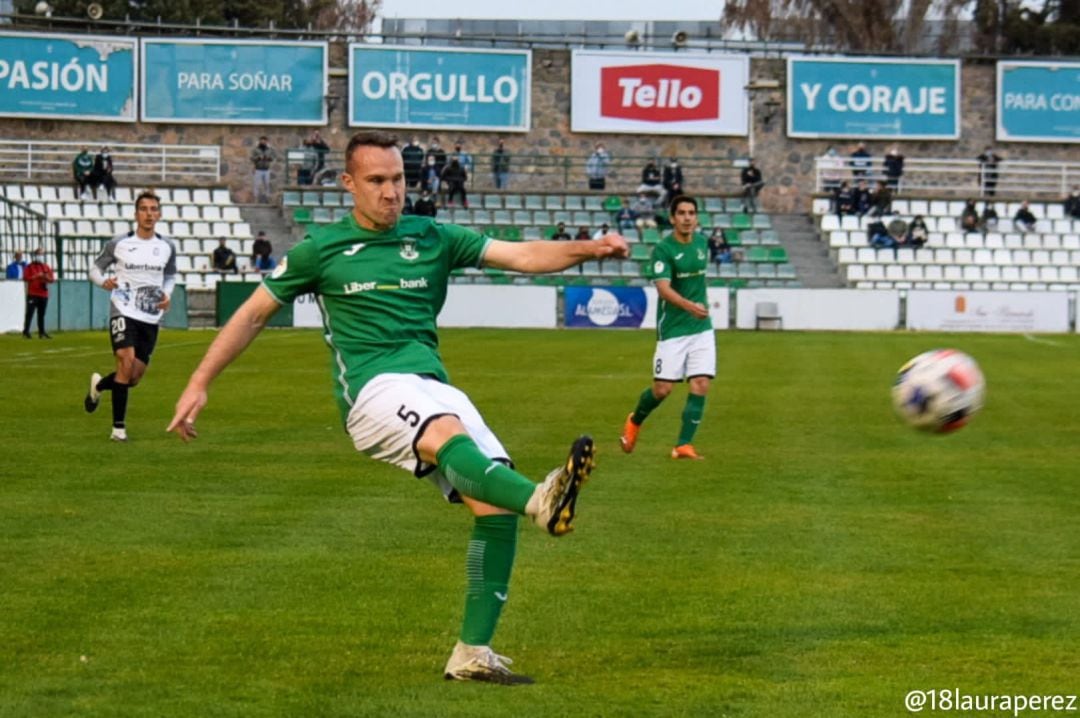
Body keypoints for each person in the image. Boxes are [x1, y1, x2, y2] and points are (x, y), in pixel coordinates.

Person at [166, 130, 629, 685]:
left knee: (491, 502)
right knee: (450, 432)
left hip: (431, 382)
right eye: (377, 181)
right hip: (371, 391)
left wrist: (591, 248)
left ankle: (471, 652)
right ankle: (542, 498)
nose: (392, 193)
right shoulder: (321, 250)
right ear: (348, 185)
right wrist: (199, 381)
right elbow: (253, 314)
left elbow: (523, 254)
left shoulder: (432, 235)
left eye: (399, 179)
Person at [620, 195, 712, 461]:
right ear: (672, 218)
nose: (687, 218)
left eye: (691, 213)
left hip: (702, 327)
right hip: (673, 329)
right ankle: (635, 420)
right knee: (663, 390)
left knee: (701, 382)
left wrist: (699, 309)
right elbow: (663, 288)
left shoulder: (702, 244)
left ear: (696, 217)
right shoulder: (663, 249)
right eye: (681, 213)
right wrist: (688, 306)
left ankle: (683, 445)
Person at [84, 191, 177, 443]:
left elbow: (169, 276)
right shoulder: (119, 243)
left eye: (153, 209)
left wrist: (167, 295)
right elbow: (95, 267)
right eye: (144, 209)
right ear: (136, 214)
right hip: (123, 309)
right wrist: (104, 282)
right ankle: (118, 429)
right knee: (125, 362)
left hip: (150, 316)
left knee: (133, 377)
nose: (149, 213)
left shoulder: (167, 246)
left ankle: (100, 386)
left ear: (159, 214)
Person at [22, 248, 54, 339]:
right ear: (35, 256)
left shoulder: (46, 267)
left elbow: (52, 280)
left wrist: (46, 277)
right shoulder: (29, 267)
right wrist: (36, 276)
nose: (40, 257)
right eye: (38, 255)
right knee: (30, 313)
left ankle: (42, 332)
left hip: (43, 294)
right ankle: (26, 331)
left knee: (41, 314)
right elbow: (25, 278)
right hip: (33, 293)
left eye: (41, 255)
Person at [251, 136, 276, 204]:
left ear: (266, 141)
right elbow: (252, 158)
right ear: (260, 141)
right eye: (261, 140)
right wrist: (259, 157)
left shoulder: (269, 149)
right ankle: (255, 199)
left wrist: (268, 158)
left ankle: (268, 199)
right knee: (256, 185)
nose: (263, 142)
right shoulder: (256, 149)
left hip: (266, 169)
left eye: (264, 141)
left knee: (267, 185)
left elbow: (273, 157)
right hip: (258, 169)